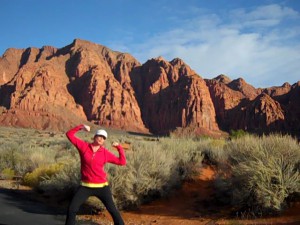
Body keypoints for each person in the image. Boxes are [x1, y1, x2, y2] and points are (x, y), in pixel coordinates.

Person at [65, 124, 126, 225]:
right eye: (99, 136)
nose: (101, 139)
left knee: (112, 210)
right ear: (94, 137)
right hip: (85, 187)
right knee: (72, 209)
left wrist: (119, 148)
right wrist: (81, 127)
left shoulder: (105, 153)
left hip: (102, 187)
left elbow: (122, 162)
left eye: (103, 138)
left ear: (104, 141)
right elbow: (69, 134)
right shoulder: (84, 146)